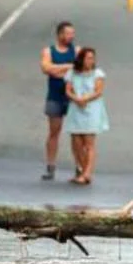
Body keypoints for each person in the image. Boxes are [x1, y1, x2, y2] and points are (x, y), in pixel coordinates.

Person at [63, 46, 108, 185]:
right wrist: (76, 99)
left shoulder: (97, 73)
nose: (91, 61)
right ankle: (82, 169)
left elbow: (99, 91)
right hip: (76, 109)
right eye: (88, 58)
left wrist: (85, 99)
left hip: (92, 109)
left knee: (89, 143)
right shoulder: (72, 73)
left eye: (92, 58)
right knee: (76, 141)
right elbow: (68, 90)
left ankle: (87, 173)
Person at [39, 21, 76, 181]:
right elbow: (46, 68)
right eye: (67, 33)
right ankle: (51, 165)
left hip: (73, 96)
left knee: (77, 133)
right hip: (55, 95)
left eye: (72, 33)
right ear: (60, 34)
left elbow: (80, 69)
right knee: (54, 131)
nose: (70, 36)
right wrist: (68, 67)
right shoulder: (49, 51)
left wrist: (58, 69)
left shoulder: (77, 50)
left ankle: (79, 166)